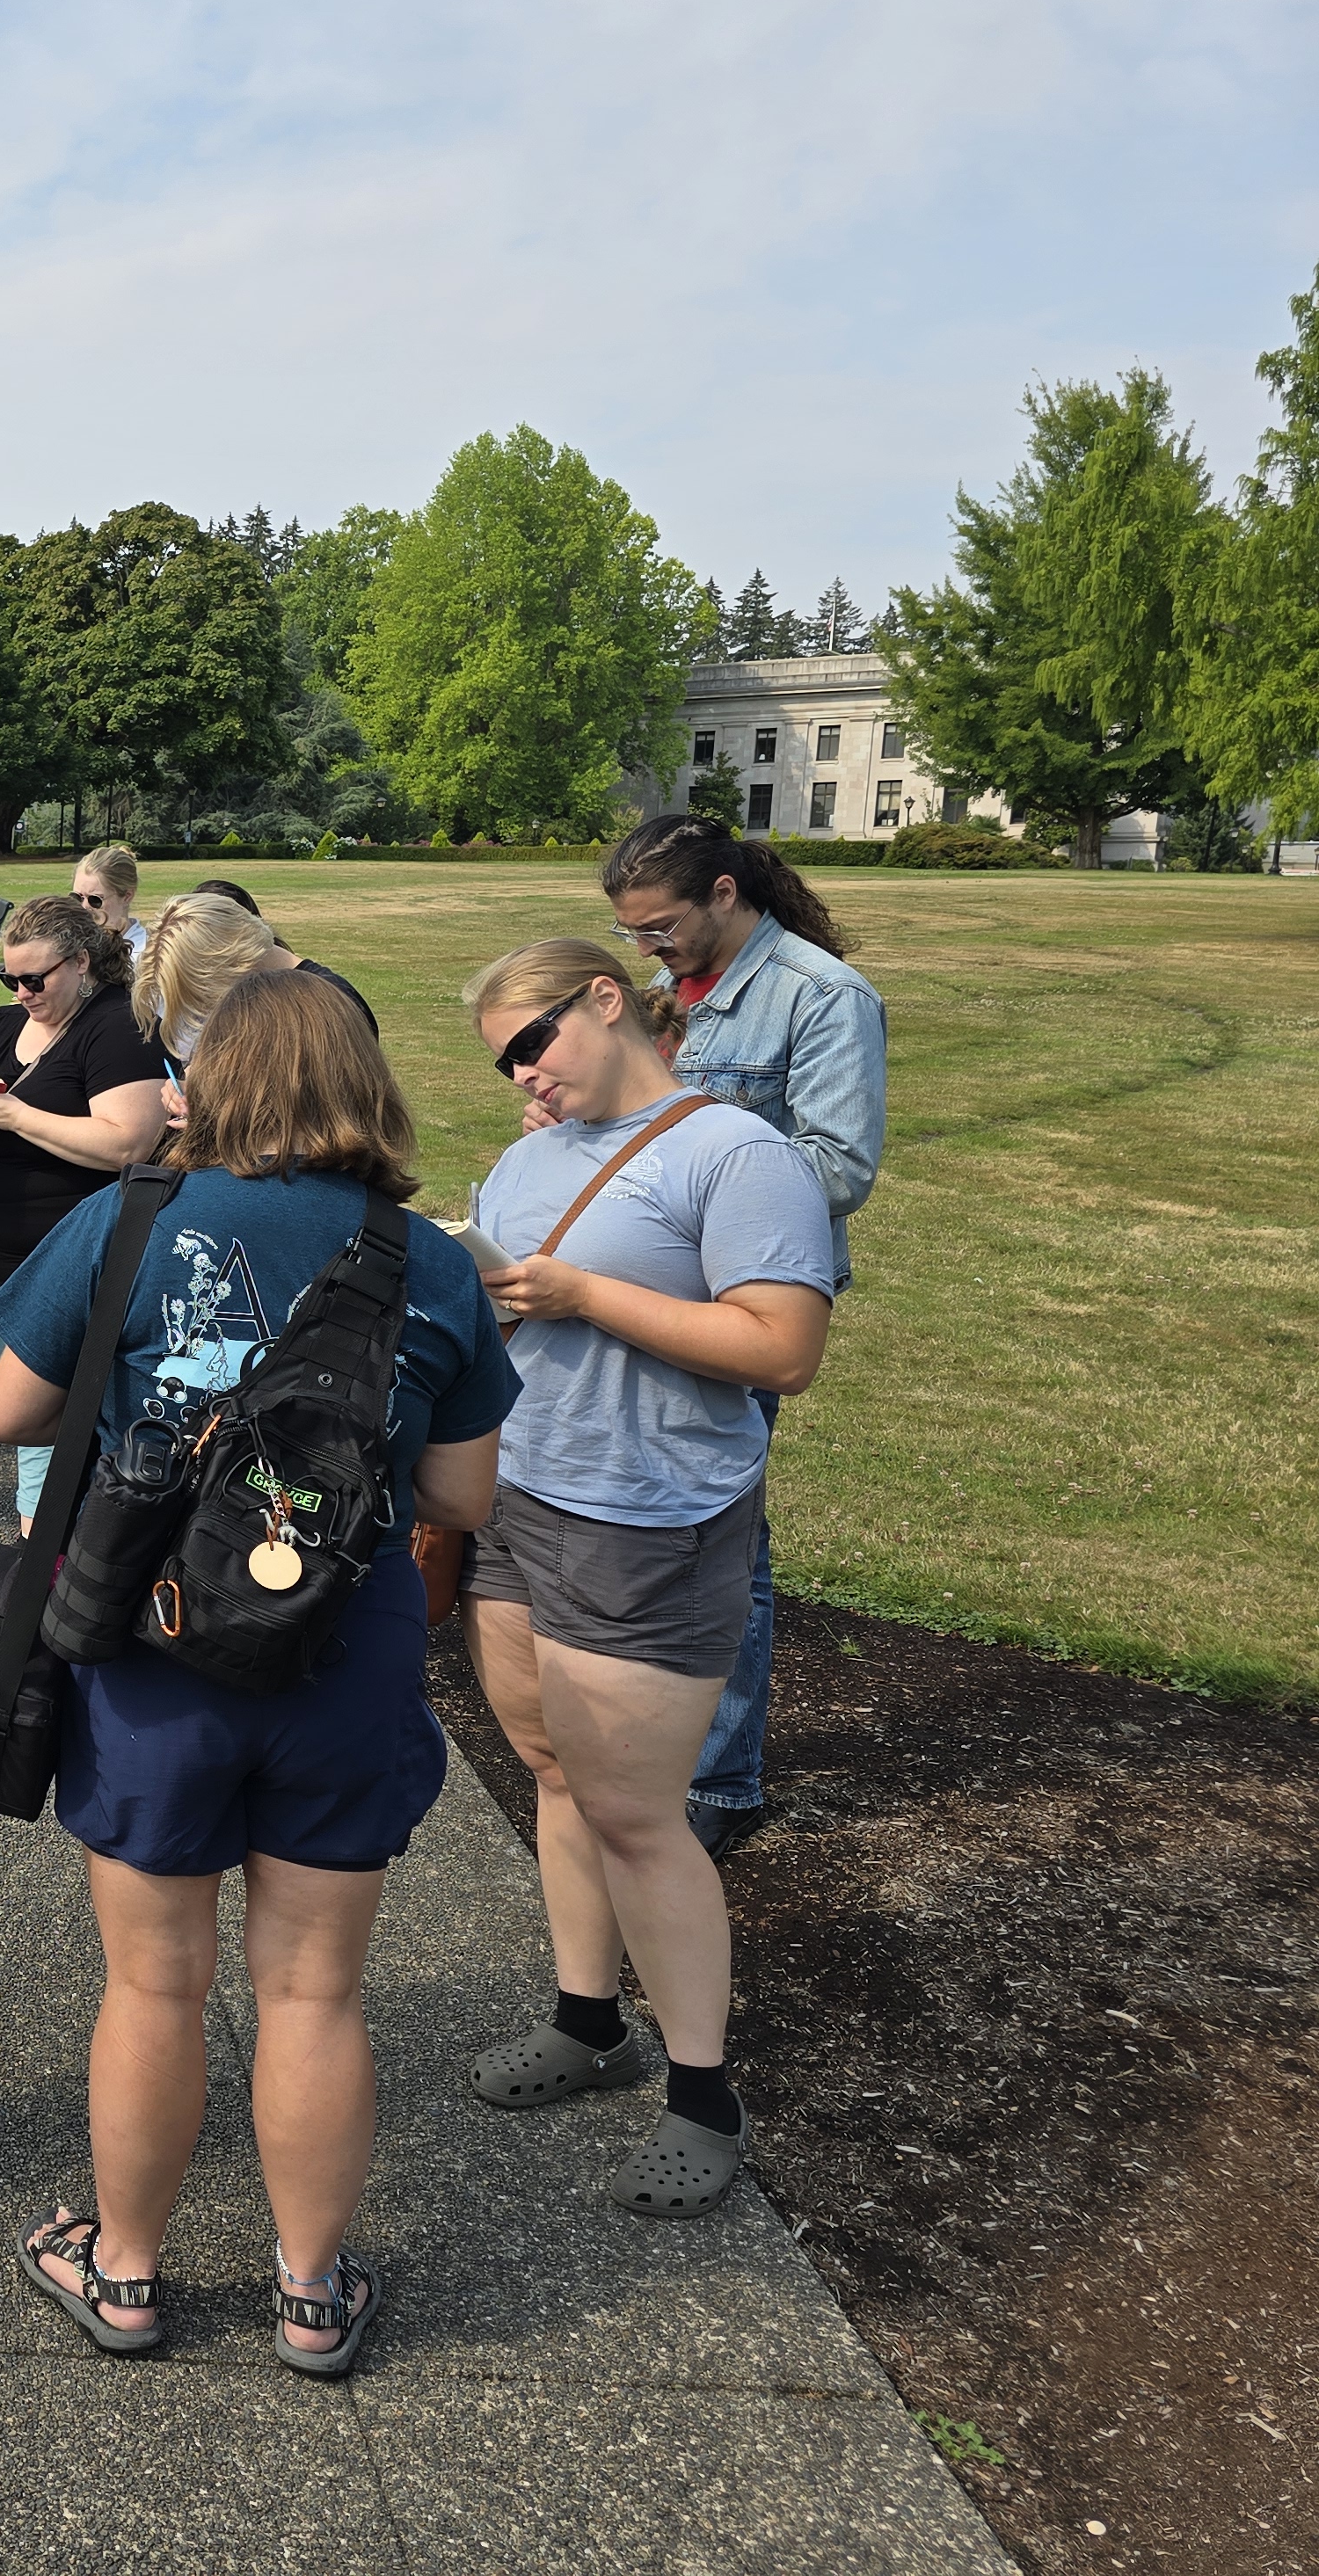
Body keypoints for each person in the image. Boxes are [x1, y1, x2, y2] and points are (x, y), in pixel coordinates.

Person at [0, 970, 514, 2370]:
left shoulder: (134, 1220)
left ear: (209, 1084)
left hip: (156, 1642)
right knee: (315, 1991)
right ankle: (310, 2290)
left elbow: (4, 1409)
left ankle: (129, 2272)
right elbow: (459, 1492)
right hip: (342, 1646)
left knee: (155, 1984)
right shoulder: (429, 1259)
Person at [458, 938, 835, 2219]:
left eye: (532, 1046)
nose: (521, 1077)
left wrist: (581, 1292)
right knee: (557, 1772)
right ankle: (586, 2018)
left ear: (605, 1002)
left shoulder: (736, 1154)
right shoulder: (526, 1155)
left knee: (639, 1813)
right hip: (523, 1495)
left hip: (649, 1516)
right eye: (502, 1060)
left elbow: (783, 1348)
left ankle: (703, 2092)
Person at [593, 814, 886, 1857]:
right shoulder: (671, 991)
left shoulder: (820, 994)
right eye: (630, 935)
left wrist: (681, 1167)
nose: (647, 950)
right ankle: (657, 1750)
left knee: (725, 1532)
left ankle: (720, 1778)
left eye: (660, 927)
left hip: (745, 1295)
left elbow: (839, 1166)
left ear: (726, 891)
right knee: (656, 1512)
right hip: (648, 1284)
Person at [0, 895, 166, 1530]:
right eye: (8, 978)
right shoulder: (0, 1024)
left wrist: (15, 1115)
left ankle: (40, 1557)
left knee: (53, 1427)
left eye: (34, 979)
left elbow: (128, 1142)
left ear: (83, 962)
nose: (20, 992)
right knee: (30, 1423)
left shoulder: (117, 1026)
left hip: (71, 1266)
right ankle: (52, 1552)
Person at [141, 892, 379, 1079]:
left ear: (234, 962)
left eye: (206, 994)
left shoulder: (322, 1004)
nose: (209, 1011)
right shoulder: (269, 996)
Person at [72, 842, 147, 966]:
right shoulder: (69, 945)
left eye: (95, 900)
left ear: (127, 896)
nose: (84, 907)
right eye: (77, 897)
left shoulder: (144, 957)